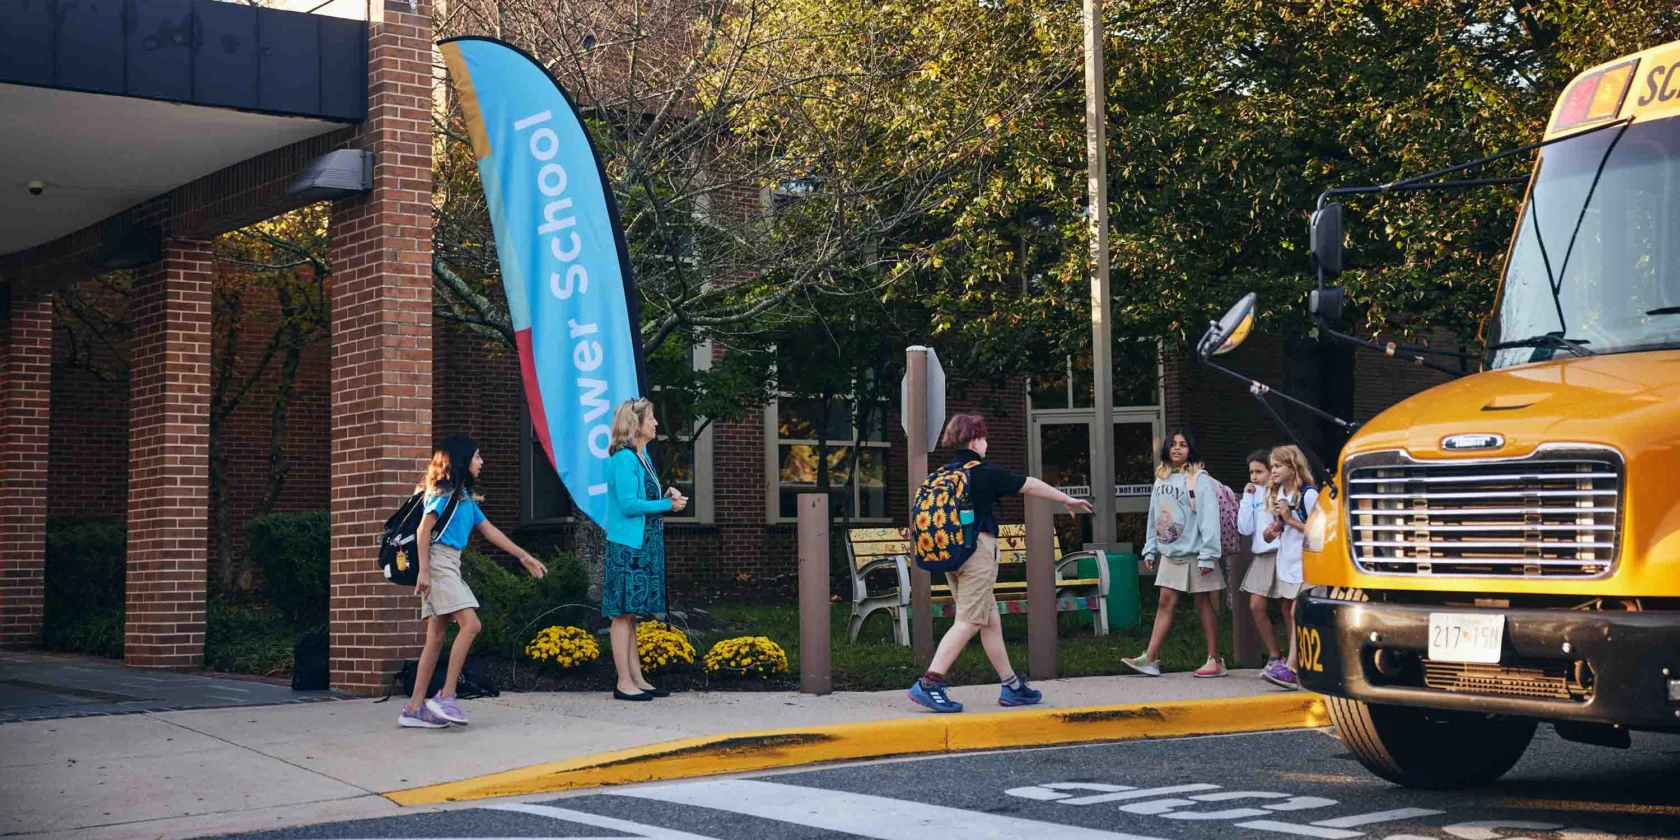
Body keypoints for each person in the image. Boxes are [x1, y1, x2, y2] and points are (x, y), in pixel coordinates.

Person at [907, 413, 1094, 713]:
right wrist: (1065, 499)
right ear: (975, 439)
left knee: (988, 620)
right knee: (968, 621)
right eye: (984, 437)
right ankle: (929, 682)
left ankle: (1011, 686)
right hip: (977, 553)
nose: (987, 443)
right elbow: (1029, 484)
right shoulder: (982, 472)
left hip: (951, 555)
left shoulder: (941, 473)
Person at [401, 435, 548, 729]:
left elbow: (490, 531)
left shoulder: (464, 498)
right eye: (478, 457)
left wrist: (524, 556)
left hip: (450, 564)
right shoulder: (442, 494)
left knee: (437, 637)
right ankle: (447, 695)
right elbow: (422, 531)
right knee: (471, 624)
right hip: (439, 563)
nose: (482, 462)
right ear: (462, 461)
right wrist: (425, 571)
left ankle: (414, 709)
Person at [1121, 428, 1227, 678]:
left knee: (1203, 602)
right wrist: (1150, 549)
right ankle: (1151, 658)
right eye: (1173, 444)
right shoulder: (1161, 479)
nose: (1177, 448)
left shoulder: (1200, 479)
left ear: (1191, 450)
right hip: (1170, 552)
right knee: (1165, 602)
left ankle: (1215, 660)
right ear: (1167, 449)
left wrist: (1208, 555)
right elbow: (1154, 516)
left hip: (1195, 552)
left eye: (1183, 444)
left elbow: (1210, 519)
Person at [603, 398, 688, 701]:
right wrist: (668, 504)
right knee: (622, 613)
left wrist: (665, 494)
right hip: (628, 547)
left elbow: (642, 497)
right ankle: (623, 683)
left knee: (632, 614)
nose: (655, 423)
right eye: (650, 418)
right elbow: (627, 505)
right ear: (635, 425)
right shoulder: (624, 459)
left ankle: (636, 677)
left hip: (644, 545)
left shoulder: (642, 457)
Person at [1258, 444, 1318, 690]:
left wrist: (1291, 520)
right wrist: (1274, 529)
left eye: (1278, 466)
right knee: (1290, 610)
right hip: (1288, 560)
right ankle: (1299, 664)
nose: (1273, 471)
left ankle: (1291, 668)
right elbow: (1269, 536)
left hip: (1308, 561)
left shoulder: (1309, 495)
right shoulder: (1279, 493)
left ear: (1293, 467)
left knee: (1296, 610)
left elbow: (1318, 530)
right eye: (1272, 466)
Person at [1237, 448, 1292, 688]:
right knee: (1256, 605)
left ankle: (1293, 662)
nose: (1254, 476)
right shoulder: (1253, 494)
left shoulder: (1282, 493)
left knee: (1288, 608)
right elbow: (1244, 528)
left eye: (1259, 471)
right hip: (1262, 555)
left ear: (1272, 471)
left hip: (1283, 554)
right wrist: (1246, 499)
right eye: (1251, 472)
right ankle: (1274, 656)